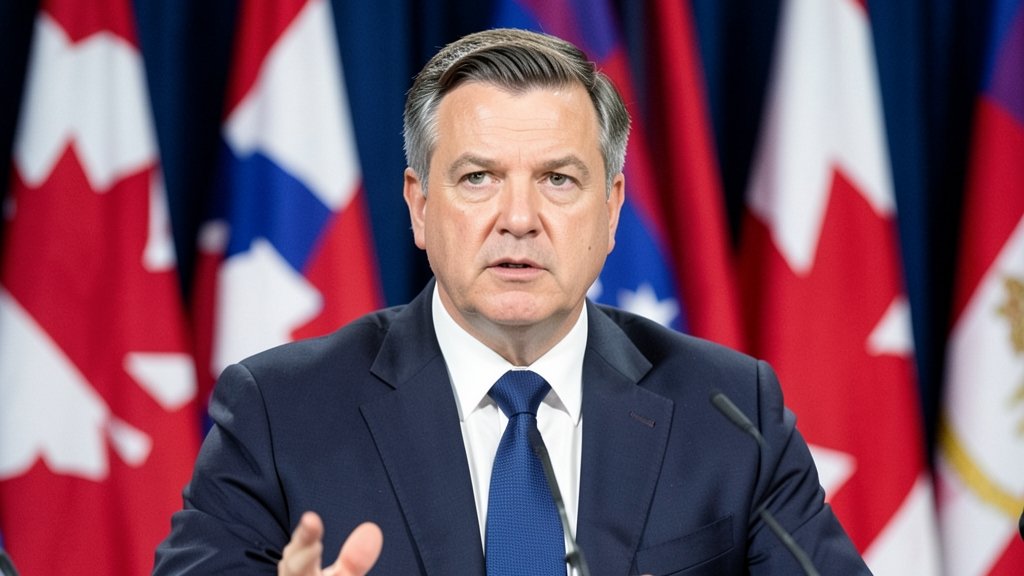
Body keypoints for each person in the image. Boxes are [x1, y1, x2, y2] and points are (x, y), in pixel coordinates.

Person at [154, 28, 870, 575]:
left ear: (613, 208)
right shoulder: (282, 413)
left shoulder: (731, 413)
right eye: (477, 179)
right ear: (420, 207)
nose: (519, 217)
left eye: (559, 179)